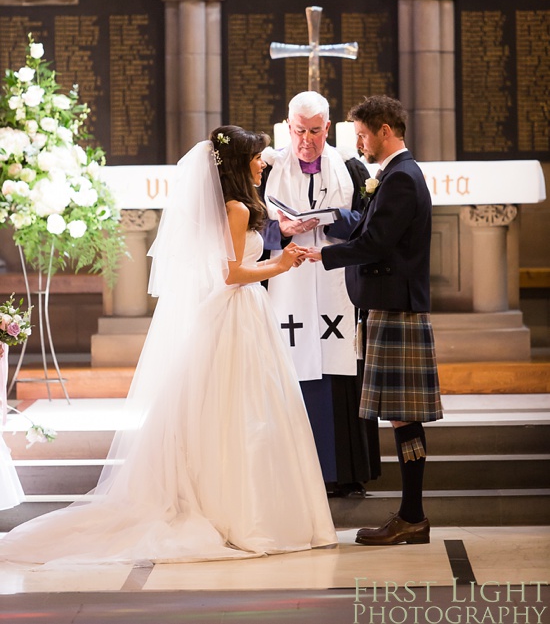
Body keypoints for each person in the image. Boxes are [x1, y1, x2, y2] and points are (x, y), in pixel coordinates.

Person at [0, 126, 337, 565]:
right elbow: (230, 274)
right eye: (256, 158)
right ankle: (240, 511)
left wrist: (277, 236)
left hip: (243, 313)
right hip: (237, 309)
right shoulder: (234, 208)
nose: (262, 163)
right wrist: (281, 263)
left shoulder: (235, 206)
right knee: (241, 409)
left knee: (242, 408)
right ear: (238, 164)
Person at [308, 95, 443, 545]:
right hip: (389, 307)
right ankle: (411, 513)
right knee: (402, 418)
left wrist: (321, 255)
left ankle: (413, 515)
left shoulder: (402, 178)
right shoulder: (394, 176)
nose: (359, 142)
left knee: (405, 418)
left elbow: (376, 244)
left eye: (363, 134)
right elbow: (368, 230)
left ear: (386, 131)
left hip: (397, 310)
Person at [260, 91, 380, 496]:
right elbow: (243, 227)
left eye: (314, 131)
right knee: (293, 368)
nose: (306, 140)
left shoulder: (351, 167)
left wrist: (335, 221)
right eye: (299, 131)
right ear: (287, 126)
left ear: (327, 128)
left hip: (336, 285)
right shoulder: (267, 168)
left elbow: (369, 223)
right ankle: (292, 475)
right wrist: (279, 230)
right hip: (286, 288)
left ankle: (343, 475)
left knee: (339, 366)